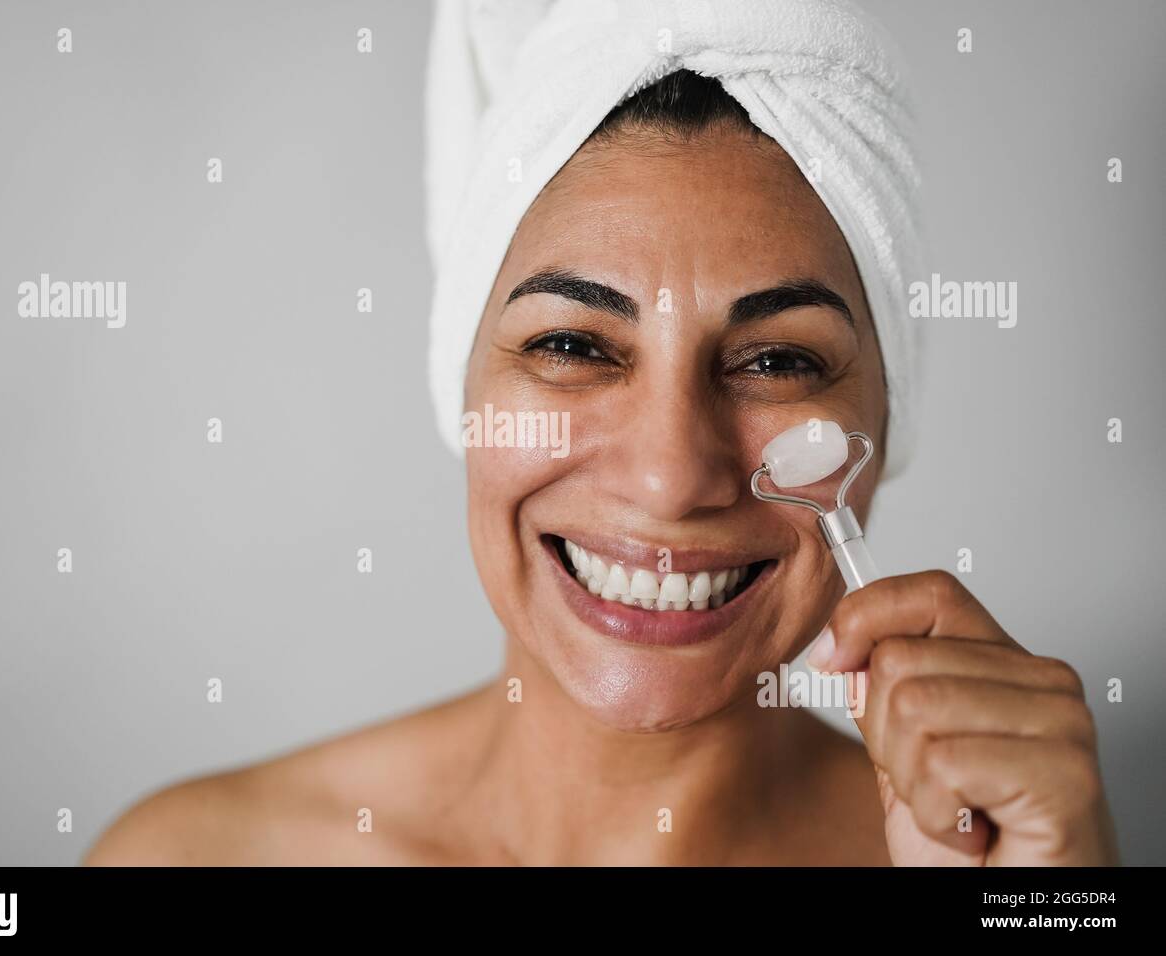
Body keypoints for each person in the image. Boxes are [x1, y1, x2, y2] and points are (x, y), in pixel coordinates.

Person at [84, 7, 1117, 866]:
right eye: (574, 343)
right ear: (464, 391)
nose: (671, 476)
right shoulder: (191, 857)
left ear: (884, 423)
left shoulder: (992, 862)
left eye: (776, 360)